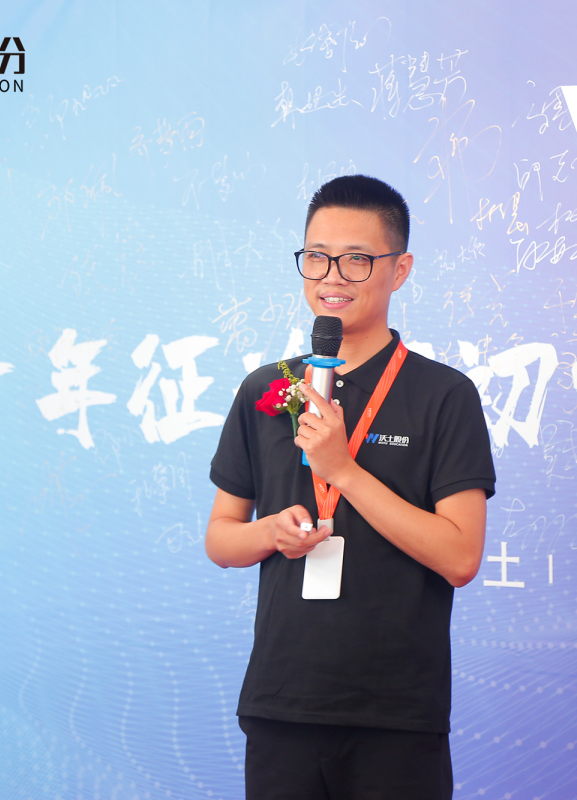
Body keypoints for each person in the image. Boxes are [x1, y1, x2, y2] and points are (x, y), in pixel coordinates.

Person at [205, 175, 496, 799]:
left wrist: (344, 472)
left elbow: (460, 557)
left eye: (356, 259)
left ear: (399, 270)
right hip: (282, 703)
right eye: (317, 257)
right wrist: (270, 532)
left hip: (395, 715)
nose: (331, 277)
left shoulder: (443, 396)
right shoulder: (266, 390)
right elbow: (221, 539)